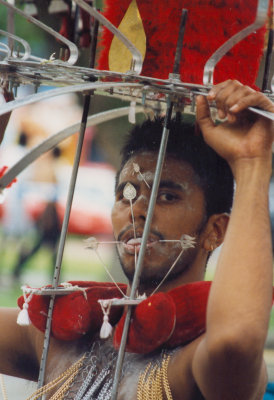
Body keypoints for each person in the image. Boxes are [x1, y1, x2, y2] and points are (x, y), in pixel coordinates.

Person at [0, 80, 273, 400]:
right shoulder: (59, 339)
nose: (138, 210)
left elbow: (235, 341)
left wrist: (252, 163)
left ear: (215, 231)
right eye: (125, 194)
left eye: (168, 196)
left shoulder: (196, 360)